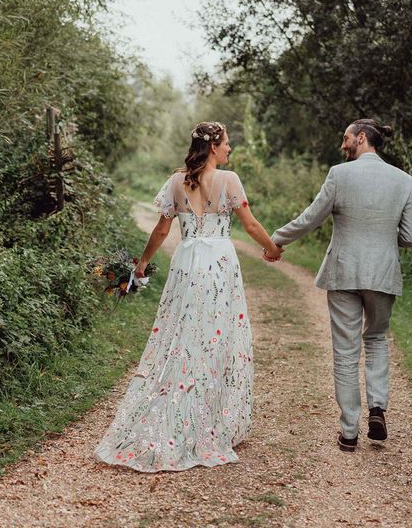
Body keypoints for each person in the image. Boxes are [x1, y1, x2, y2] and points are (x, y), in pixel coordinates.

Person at [94, 121, 281, 472]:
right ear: (214, 147)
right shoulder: (230, 180)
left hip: (187, 264)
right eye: (226, 144)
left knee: (183, 336)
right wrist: (271, 249)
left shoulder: (177, 181)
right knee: (216, 337)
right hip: (220, 264)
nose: (229, 150)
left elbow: (163, 228)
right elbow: (251, 225)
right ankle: (209, 418)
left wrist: (142, 264)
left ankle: (181, 407)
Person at [265, 119, 412, 451]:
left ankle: (349, 432)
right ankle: (377, 407)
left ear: (361, 138)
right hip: (382, 274)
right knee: (377, 339)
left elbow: (311, 217)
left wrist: (275, 240)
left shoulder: (340, 174)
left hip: (344, 272)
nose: (342, 144)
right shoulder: (404, 180)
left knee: (346, 351)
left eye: (346, 138)